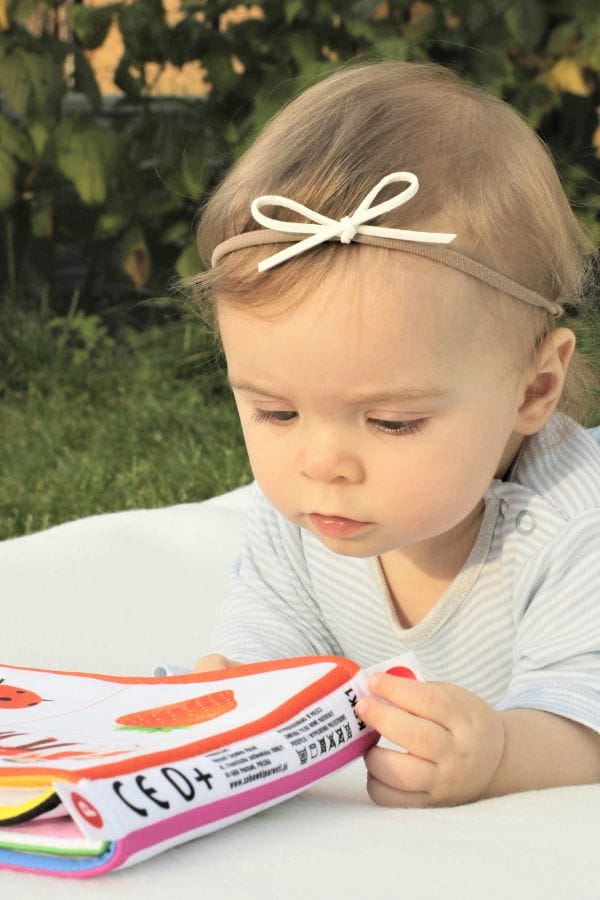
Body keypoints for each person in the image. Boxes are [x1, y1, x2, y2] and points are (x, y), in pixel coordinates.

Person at [190, 61, 600, 807]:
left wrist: (503, 752)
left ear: (534, 389)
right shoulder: (304, 517)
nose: (322, 463)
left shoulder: (577, 527)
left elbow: (588, 714)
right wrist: (236, 698)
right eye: (277, 413)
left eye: (392, 421)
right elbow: (273, 642)